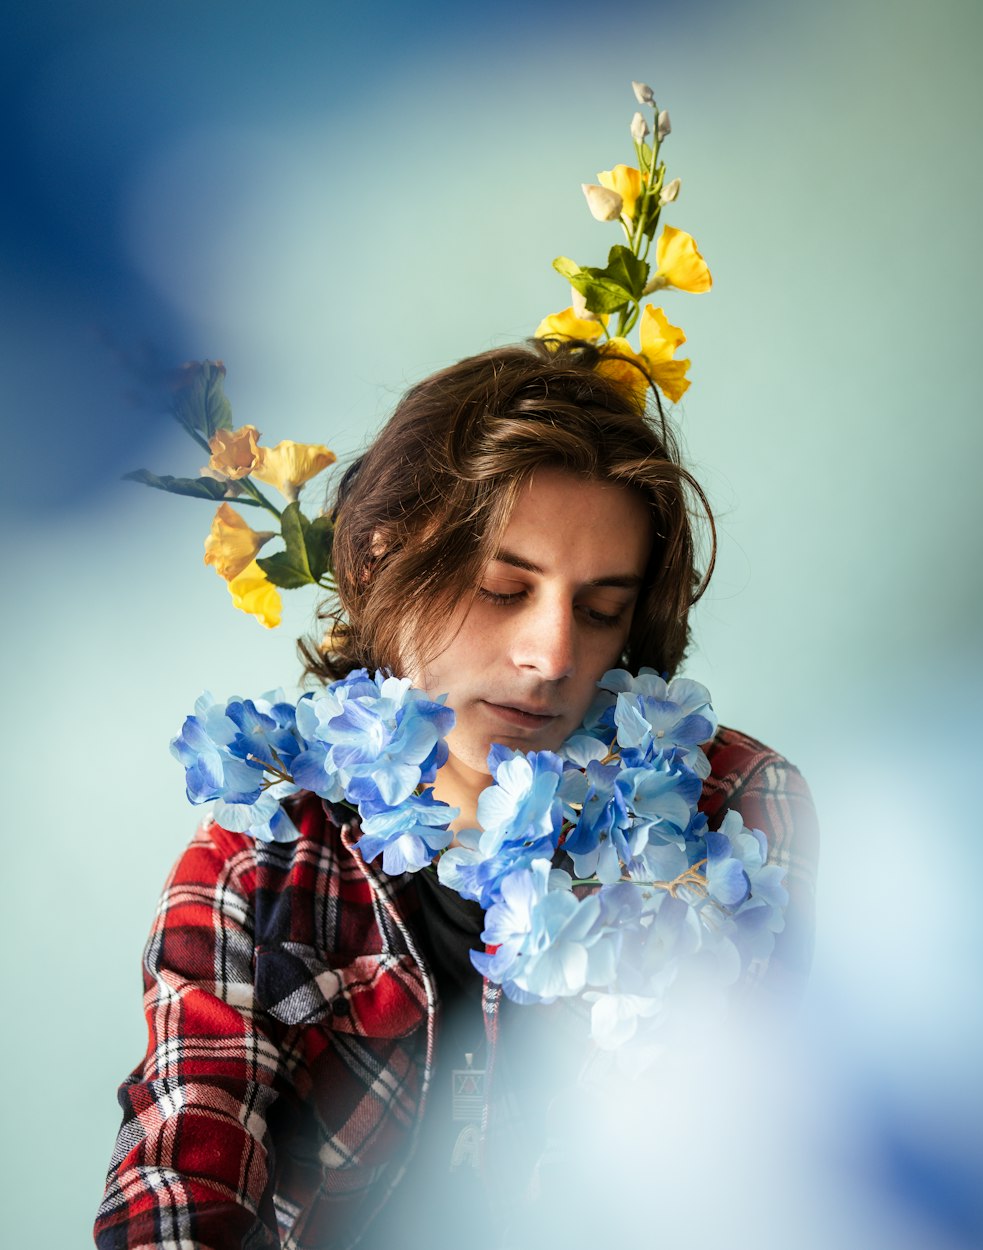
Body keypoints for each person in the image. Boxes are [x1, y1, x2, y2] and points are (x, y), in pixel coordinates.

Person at [94, 340, 819, 1249]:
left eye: (599, 611)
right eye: (502, 588)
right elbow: (177, 1163)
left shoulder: (731, 808)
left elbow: (756, 1170)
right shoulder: (256, 866)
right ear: (376, 565)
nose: (551, 658)